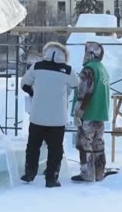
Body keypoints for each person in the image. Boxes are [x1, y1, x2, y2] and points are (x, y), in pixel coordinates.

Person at [20, 42, 79, 188]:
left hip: (37, 116)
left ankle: (30, 173)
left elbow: (24, 84)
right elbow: (76, 84)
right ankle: (51, 178)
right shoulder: (68, 70)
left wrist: (34, 93)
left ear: (46, 52)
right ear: (64, 55)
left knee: (33, 146)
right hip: (57, 119)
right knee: (55, 149)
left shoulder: (37, 67)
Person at [71, 41, 110, 182]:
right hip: (100, 113)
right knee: (97, 143)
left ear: (90, 53)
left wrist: (78, 112)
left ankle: (87, 173)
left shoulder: (88, 69)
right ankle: (99, 173)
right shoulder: (102, 68)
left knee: (84, 143)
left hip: (88, 113)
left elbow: (84, 92)